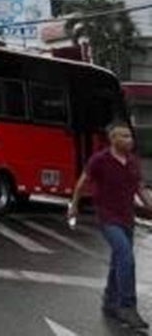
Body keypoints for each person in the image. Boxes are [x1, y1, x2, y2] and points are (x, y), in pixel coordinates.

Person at [69, 122, 152, 330]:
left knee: (118, 260)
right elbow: (83, 181)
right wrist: (74, 205)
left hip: (127, 218)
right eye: (124, 136)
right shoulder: (100, 160)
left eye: (130, 136)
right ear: (113, 139)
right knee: (126, 257)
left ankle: (109, 301)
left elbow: (140, 189)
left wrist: (150, 205)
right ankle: (127, 306)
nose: (129, 140)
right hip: (108, 218)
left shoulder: (133, 162)